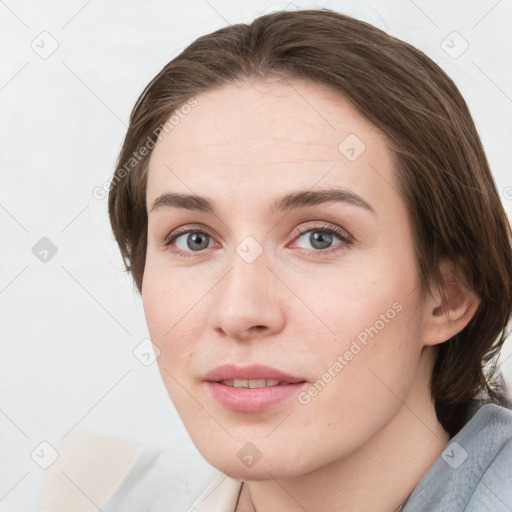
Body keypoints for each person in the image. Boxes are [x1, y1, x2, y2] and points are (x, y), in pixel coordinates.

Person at [44, 7, 512, 512]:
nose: (240, 312)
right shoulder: (94, 493)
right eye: (194, 240)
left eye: (319, 239)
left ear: (449, 294)